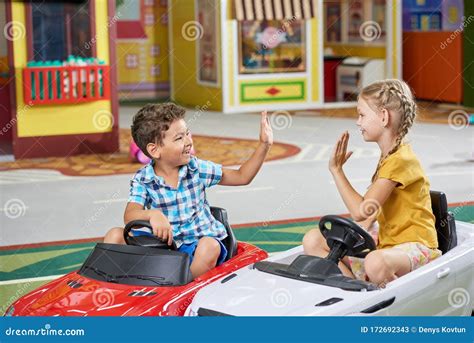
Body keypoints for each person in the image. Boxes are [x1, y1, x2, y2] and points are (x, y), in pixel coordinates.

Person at [104, 103, 273, 278]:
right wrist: (152, 215)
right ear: (154, 150)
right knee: (115, 235)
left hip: (196, 243)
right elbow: (130, 214)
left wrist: (264, 145)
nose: (188, 141)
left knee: (210, 246)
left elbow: (241, 176)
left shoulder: (197, 168)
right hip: (165, 244)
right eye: (179, 138)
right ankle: (112, 287)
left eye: (187, 133)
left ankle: (184, 286)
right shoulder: (143, 178)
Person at [303, 79, 441, 286]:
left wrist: (337, 170)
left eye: (362, 115)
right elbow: (369, 217)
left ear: (384, 117)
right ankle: (352, 291)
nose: (358, 122)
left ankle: (377, 297)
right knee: (312, 239)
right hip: (387, 245)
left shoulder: (401, 159)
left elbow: (362, 211)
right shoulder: (388, 157)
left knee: (375, 262)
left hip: (417, 246)